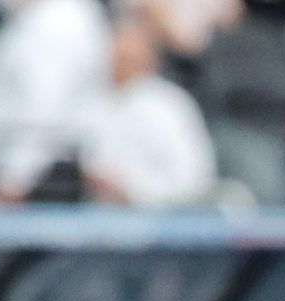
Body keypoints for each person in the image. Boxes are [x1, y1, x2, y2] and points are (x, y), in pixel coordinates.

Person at [0, 0, 111, 201]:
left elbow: (44, 108)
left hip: (42, 174)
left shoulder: (54, 22)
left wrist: (15, 180)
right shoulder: (48, 17)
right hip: (43, 169)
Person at [79, 21, 218, 207]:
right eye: (117, 52)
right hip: (96, 221)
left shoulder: (167, 104)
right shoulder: (95, 102)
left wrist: (130, 190)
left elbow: (194, 179)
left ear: (150, 59)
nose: (120, 61)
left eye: (130, 56)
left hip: (163, 224)